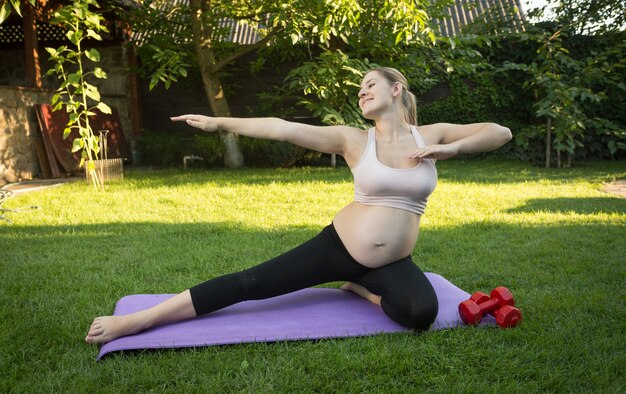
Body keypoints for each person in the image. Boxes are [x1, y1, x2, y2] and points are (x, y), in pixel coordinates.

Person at [85, 67, 511, 344]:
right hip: (338, 247)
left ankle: (358, 286)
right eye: (359, 90)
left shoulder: (430, 136)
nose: (362, 93)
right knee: (251, 285)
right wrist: (219, 123)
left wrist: (452, 150)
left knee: (420, 313)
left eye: (370, 85)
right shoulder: (352, 139)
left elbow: (500, 131)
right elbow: (282, 128)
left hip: (391, 263)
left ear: (396, 89)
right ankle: (139, 321)